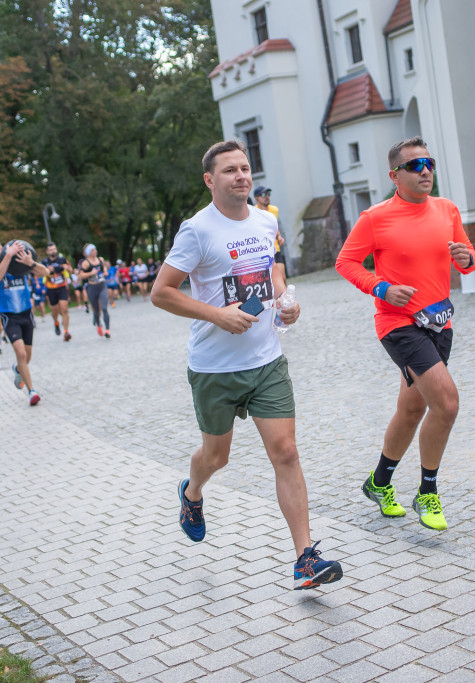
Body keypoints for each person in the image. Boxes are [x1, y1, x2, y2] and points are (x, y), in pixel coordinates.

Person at [151, 139, 342, 590]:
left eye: (245, 168)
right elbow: (161, 292)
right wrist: (217, 314)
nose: (241, 176)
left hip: (265, 360)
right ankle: (192, 492)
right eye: (230, 170)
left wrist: (286, 300)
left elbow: (273, 270)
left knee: (287, 451)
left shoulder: (264, 220)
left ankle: (305, 559)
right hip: (214, 366)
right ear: (209, 180)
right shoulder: (196, 231)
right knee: (216, 456)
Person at [335, 136, 475, 531]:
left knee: (413, 408)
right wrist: (381, 287)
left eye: (428, 163)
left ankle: (379, 483)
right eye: (415, 166)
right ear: (395, 175)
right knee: (446, 404)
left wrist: (468, 258)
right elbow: (346, 262)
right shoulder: (375, 218)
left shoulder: (447, 210)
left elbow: (465, 257)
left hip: (439, 323)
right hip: (398, 324)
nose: (425, 171)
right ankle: (427, 491)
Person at [0, 240, 49, 406]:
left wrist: (30, 263)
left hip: (26, 314)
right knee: (21, 354)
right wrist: (9, 255)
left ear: (2, 249)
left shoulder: (18, 264)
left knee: (27, 356)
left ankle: (18, 369)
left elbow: (45, 272)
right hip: (9, 317)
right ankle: (31, 391)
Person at [77, 244, 111, 338]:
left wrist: (105, 272)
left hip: (102, 286)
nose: (95, 251)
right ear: (88, 252)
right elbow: (80, 275)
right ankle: (98, 324)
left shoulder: (100, 259)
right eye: (92, 250)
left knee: (104, 307)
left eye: (95, 249)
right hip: (92, 288)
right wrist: (90, 273)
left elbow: (103, 268)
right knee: (96, 310)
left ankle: (107, 330)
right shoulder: (86, 263)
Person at [254, 186, 287, 280]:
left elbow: (274, 226)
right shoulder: (253, 212)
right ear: (256, 198)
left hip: (275, 248)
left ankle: (286, 295)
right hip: (262, 250)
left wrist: (279, 236)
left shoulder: (274, 210)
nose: (267, 197)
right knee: (269, 280)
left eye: (268, 194)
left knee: (282, 278)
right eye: (263, 195)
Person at [41, 242, 72, 340]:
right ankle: (56, 323)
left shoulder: (62, 259)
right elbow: (39, 273)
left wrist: (66, 268)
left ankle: (66, 332)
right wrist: (47, 270)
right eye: (50, 250)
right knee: (55, 311)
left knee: (64, 309)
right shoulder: (44, 262)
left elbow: (70, 270)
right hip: (51, 289)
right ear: (47, 251)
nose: (53, 251)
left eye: (54, 249)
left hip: (62, 287)